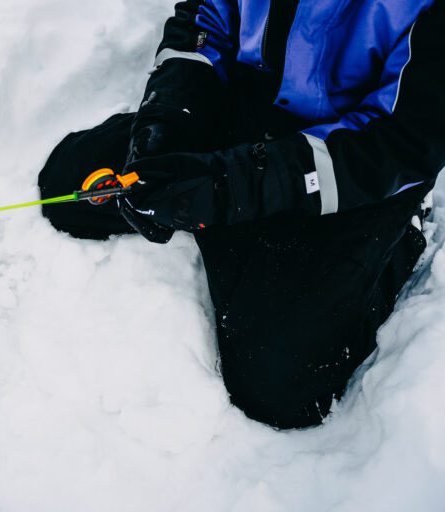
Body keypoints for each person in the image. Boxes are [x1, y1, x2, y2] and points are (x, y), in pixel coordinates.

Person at [37, 0, 445, 429]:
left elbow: (403, 141)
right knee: (70, 187)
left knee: (278, 387)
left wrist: (232, 185)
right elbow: (204, 18)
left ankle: (400, 239)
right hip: (253, 106)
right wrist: (169, 118)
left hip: (358, 161)